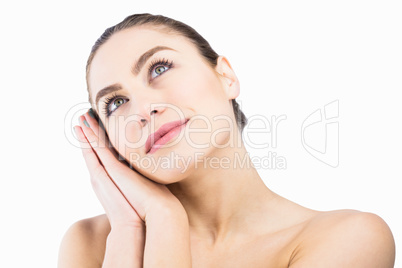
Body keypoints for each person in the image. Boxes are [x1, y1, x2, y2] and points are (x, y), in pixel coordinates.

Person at [58, 13, 395, 267]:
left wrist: (167, 222)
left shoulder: (350, 237)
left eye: (159, 68)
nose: (144, 110)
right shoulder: (92, 243)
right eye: (116, 103)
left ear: (226, 77)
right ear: (108, 140)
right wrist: (147, 224)